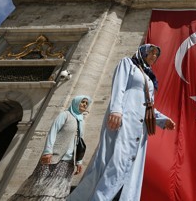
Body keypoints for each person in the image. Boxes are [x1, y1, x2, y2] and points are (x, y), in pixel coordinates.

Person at [68, 44, 176, 201]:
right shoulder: (128, 64)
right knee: (114, 162)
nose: (154, 56)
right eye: (151, 52)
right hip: (123, 119)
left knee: (132, 167)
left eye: (156, 55)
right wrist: (116, 110)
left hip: (140, 127)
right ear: (143, 52)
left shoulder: (150, 78)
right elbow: (119, 87)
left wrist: (162, 119)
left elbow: (148, 105)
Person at [9, 95, 92, 201]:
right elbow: (53, 132)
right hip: (53, 157)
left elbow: (81, 142)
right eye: (82, 102)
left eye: (86, 103)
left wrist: (79, 161)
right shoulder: (65, 115)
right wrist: (48, 151)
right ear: (76, 103)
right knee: (40, 186)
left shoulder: (81, 121)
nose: (85, 105)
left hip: (68, 161)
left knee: (57, 189)